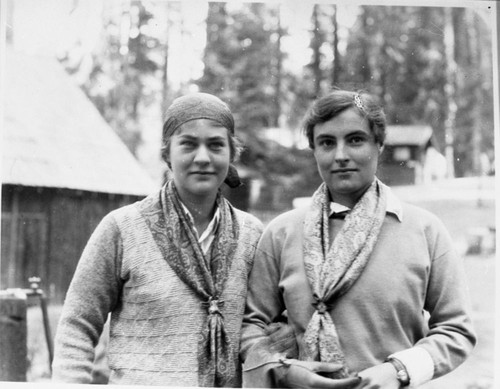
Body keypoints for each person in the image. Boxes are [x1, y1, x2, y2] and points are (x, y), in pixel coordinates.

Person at [240, 89, 476, 388]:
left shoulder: (424, 230)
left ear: (379, 144)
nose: (341, 156)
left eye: (355, 140)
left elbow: (456, 330)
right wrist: (284, 369)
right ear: (314, 150)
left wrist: (398, 370)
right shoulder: (283, 232)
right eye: (327, 143)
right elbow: (251, 326)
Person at [52, 92, 263, 387]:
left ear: (231, 154)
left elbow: (264, 326)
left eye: (216, 145)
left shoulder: (253, 234)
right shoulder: (122, 228)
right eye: (188, 144)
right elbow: (78, 325)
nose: (202, 158)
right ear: (167, 154)